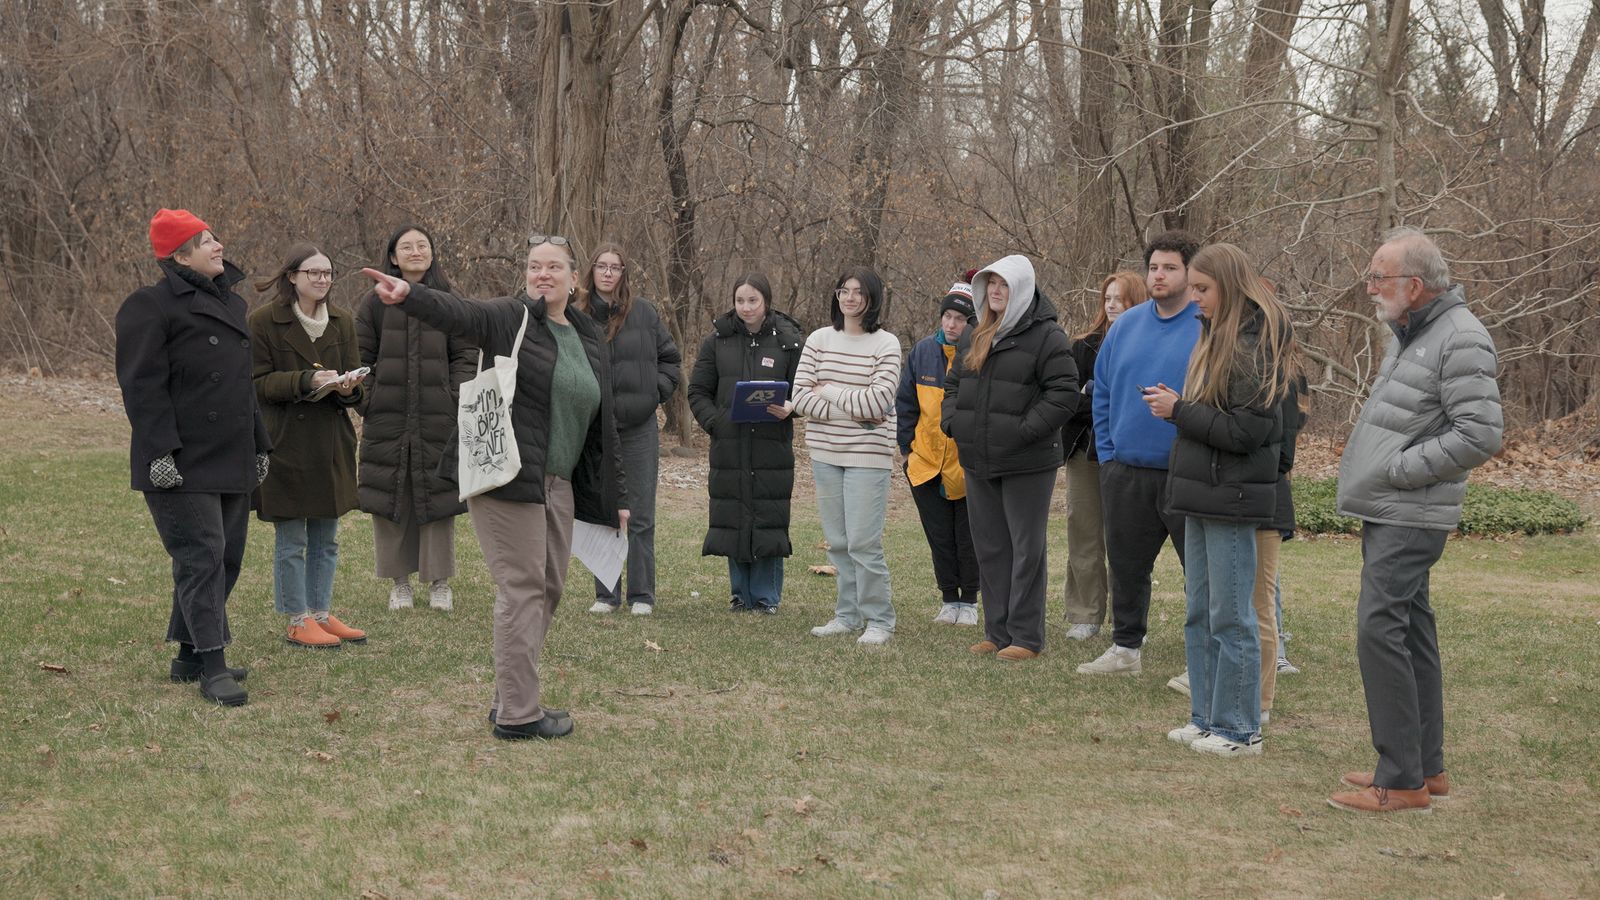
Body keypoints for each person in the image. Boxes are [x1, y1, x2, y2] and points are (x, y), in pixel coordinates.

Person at [360, 234, 628, 741]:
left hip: (559, 482)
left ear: (575, 279)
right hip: (507, 474)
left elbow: (602, 421)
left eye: (554, 267)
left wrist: (619, 496)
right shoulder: (512, 317)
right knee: (522, 588)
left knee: (548, 588)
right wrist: (411, 295)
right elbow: (462, 314)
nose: (543, 274)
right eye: (534, 266)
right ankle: (519, 715)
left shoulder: (589, 335)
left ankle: (509, 696)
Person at [1327, 227, 1502, 813]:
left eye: (1379, 276)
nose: (1370, 286)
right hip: (1395, 507)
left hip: (1411, 510)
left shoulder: (1460, 337)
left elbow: (1480, 434)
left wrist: (1399, 471)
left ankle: (1400, 779)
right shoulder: (1410, 333)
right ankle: (1427, 768)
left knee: (1380, 629)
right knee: (1413, 630)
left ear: (1416, 285)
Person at [115, 209, 270, 707]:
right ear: (180, 255)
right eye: (206, 241)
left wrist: (260, 442)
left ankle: (187, 654)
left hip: (231, 452)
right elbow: (141, 387)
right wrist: (160, 451)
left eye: (215, 236)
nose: (218, 245)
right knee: (200, 556)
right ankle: (213, 665)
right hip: (179, 459)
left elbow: (242, 388)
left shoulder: (233, 304)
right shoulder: (149, 306)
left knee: (226, 558)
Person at [1144, 243, 1291, 757]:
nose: (1194, 297)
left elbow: (1249, 431)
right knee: (1200, 613)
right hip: (1200, 494)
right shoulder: (1212, 338)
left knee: (1233, 617)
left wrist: (1179, 411)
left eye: (1203, 289)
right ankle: (1205, 718)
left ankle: (1239, 729)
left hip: (1232, 499)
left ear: (1229, 287)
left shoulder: (1254, 346)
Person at [1077, 231, 1203, 677]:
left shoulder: (1207, 325)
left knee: (1201, 575)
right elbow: (1104, 392)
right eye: (1153, 267)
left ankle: (1202, 661)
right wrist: (1109, 456)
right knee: (1127, 567)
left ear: (1190, 273)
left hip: (1188, 472)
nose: (1159, 275)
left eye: (1170, 267)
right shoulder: (1126, 325)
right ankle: (1125, 649)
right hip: (1126, 472)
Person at [942, 255, 1080, 660]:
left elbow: (1064, 394)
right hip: (977, 458)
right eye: (991, 284)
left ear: (1021, 288)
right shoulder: (974, 332)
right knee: (989, 547)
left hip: (1027, 462)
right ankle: (996, 632)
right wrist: (954, 423)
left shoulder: (1047, 336)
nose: (996, 291)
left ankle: (1025, 637)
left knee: (1025, 550)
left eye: (1004, 284)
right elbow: (954, 385)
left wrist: (1023, 431)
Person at [249, 243, 369, 649]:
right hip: (285, 440)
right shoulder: (264, 321)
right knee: (292, 539)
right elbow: (256, 384)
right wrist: (306, 380)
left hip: (331, 441)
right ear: (292, 278)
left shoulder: (343, 321)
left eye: (328, 273)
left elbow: (357, 389)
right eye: (313, 272)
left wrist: (350, 388)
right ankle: (297, 618)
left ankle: (320, 612)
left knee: (327, 535)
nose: (322, 279)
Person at [355, 224, 475, 612]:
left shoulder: (448, 299)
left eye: (422, 245)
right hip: (387, 416)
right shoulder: (373, 304)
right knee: (392, 496)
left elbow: (466, 356)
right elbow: (360, 358)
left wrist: (454, 397)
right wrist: (368, 399)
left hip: (437, 414)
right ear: (392, 256)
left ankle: (439, 583)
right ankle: (399, 583)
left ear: (432, 253)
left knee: (437, 497)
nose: (415, 251)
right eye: (406, 246)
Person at [792, 267, 902, 645]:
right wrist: (857, 412)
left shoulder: (886, 344)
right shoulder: (819, 340)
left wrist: (831, 391)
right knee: (837, 541)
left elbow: (879, 400)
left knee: (863, 543)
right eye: (844, 290)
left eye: (858, 292)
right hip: (825, 452)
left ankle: (879, 620)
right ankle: (847, 614)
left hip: (868, 456)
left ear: (872, 298)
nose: (850, 298)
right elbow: (801, 397)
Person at [686, 274, 806, 613]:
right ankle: (740, 594)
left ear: (766, 301)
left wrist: (792, 408)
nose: (746, 307)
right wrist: (715, 422)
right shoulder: (717, 341)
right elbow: (697, 391)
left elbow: (803, 389)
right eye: (740, 301)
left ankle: (766, 597)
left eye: (753, 300)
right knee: (734, 516)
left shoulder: (789, 342)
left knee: (768, 517)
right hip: (730, 445)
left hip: (772, 446)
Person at [576, 241, 681, 616]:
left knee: (639, 515)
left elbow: (671, 361)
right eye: (601, 266)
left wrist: (654, 394)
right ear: (592, 271)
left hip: (638, 429)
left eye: (615, 267)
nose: (607, 273)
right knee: (603, 512)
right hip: (596, 430)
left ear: (624, 273)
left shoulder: (645, 314)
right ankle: (606, 594)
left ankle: (641, 595)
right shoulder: (577, 316)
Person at [1061, 271, 1149, 641]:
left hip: (1130, 454)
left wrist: (1098, 392)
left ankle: (1129, 622)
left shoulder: (1147, 344)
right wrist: (1101, 395)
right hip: (1084, 451)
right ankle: (1085, 613)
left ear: (1137, 302)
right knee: (1083, 533)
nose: (1112, 305)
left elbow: (1142, 401)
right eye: (1108, 298)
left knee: (1127, 540)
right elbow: (1069, 400)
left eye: (1121, 299)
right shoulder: (1082, 346)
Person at [896, 277, 981, 626]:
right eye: (947, 316)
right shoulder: (921, 352)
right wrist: (906, 451)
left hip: (966, 466)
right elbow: (906, 404)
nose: (951, 324)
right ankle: (949, 598)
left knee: (968, 537)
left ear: (971, 322)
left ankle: (970, 602)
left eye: (960, 319)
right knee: (940, 537)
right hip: (925, 463)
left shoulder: (979, 354)